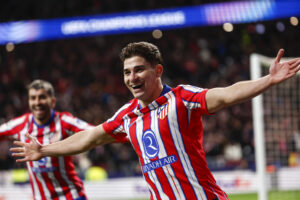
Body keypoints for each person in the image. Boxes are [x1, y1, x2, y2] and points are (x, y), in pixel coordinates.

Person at [11, 42, 300, 200]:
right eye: (126, 72)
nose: (131, 78)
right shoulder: (126, 116)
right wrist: (44, 150)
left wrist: (268, 80)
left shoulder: (182, 98)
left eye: (139, 70)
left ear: (157, 70)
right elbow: (90, 137)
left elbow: (225, 95)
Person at [1, 79, 95, 200]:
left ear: (53, 101)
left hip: (71, 196)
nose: (37, 102)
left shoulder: (64, 121)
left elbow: (96, 132)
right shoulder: (21, 124)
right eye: (33, 98)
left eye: (42, 97)